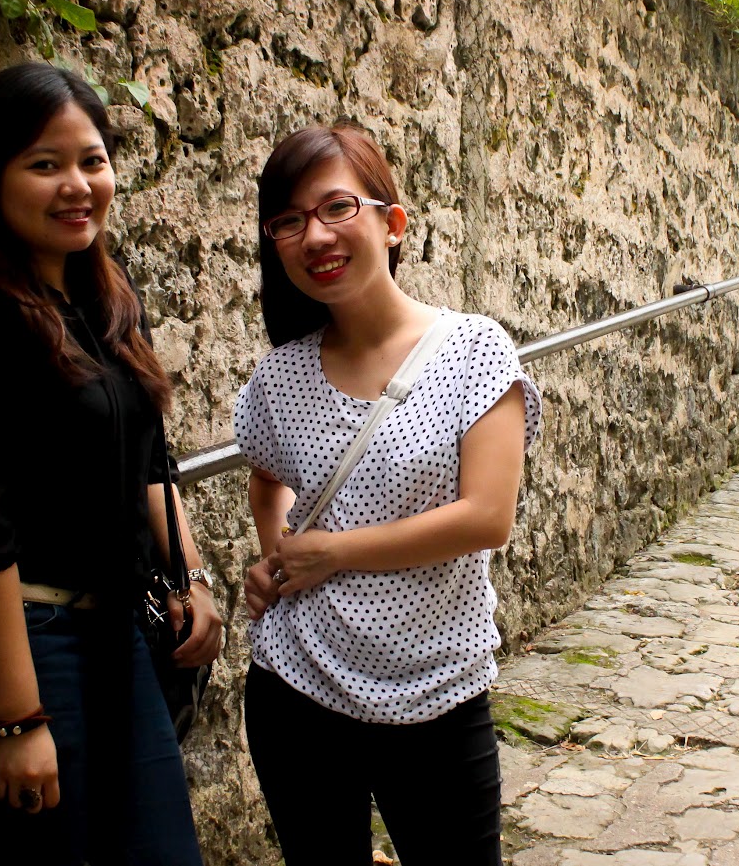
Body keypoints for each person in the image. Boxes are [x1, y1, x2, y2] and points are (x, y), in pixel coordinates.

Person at [0, 62, 222, 866]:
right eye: (45, 164)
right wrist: (17, 718)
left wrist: (191, 576)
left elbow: (151, 459)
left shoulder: (105, 293)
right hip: (24, 641)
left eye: (92, 161)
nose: (77, 185)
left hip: (116, 630)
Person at [232, 124, 542, 865]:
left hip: (438, 691)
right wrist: (280, 557)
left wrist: (331, 552)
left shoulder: (474, 350)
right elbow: (265, 475)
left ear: (392, 223)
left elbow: (486, 517)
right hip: (296, 686)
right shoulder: (282, 375)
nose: (315, 235)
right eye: (289, 221)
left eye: (337, 208)